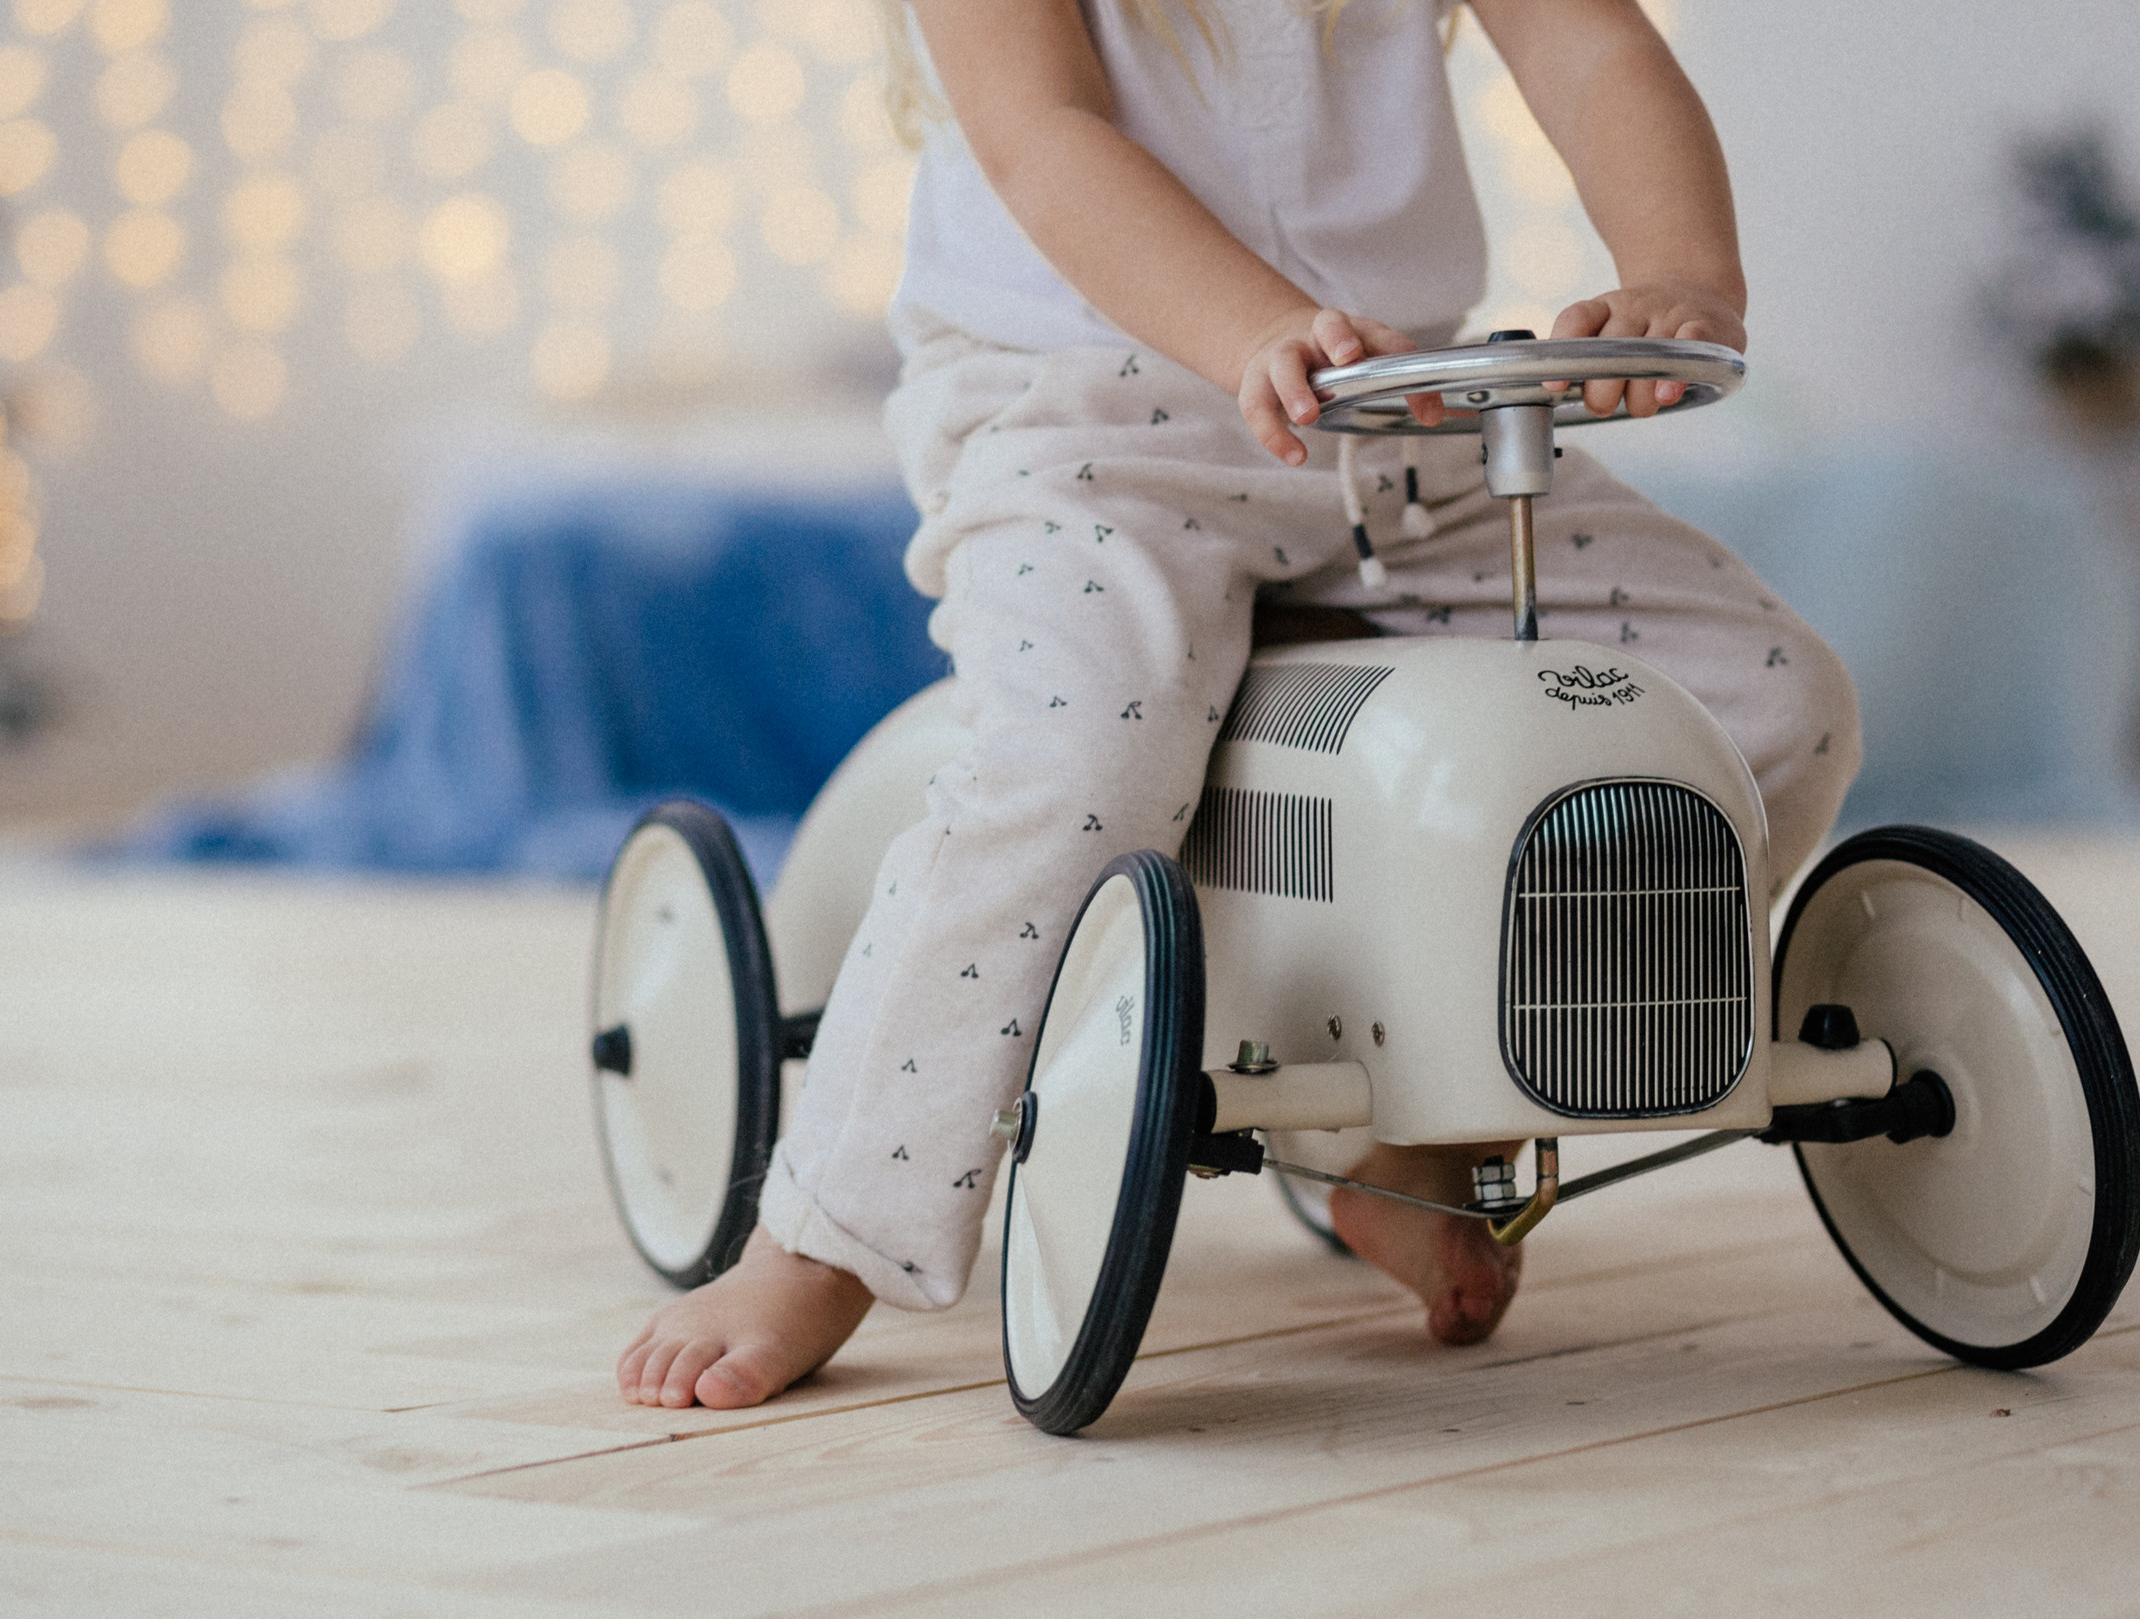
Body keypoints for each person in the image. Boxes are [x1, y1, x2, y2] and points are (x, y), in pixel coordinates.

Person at [619, 0, 1859, 1409]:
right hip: (1091, 426)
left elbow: (1592, 49)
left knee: (1767, 702)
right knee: (1079, 757)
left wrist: (1685, 270)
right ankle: (833, 1226)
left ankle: (1431, 1113)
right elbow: (1045, 133)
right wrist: (1253, 324)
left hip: (1397, 422)